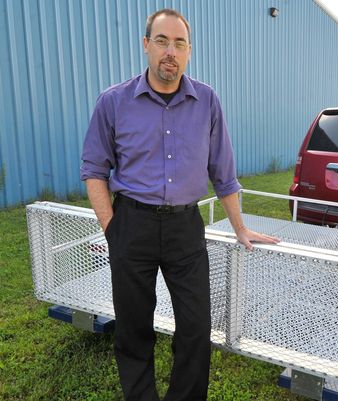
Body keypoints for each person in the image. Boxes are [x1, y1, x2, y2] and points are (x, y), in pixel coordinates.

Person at [80, 8, 278, 401]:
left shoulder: (207, 101)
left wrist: (239, 227)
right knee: (133, 328)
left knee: (195, 328)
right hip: (131, 225)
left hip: (185, 229)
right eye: (162, 41)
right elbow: (94, 169)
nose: (170, 51)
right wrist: (112, 228)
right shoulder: (113, 102)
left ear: (189, 51)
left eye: (179, 43)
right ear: (145, 45)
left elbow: (223, 173)